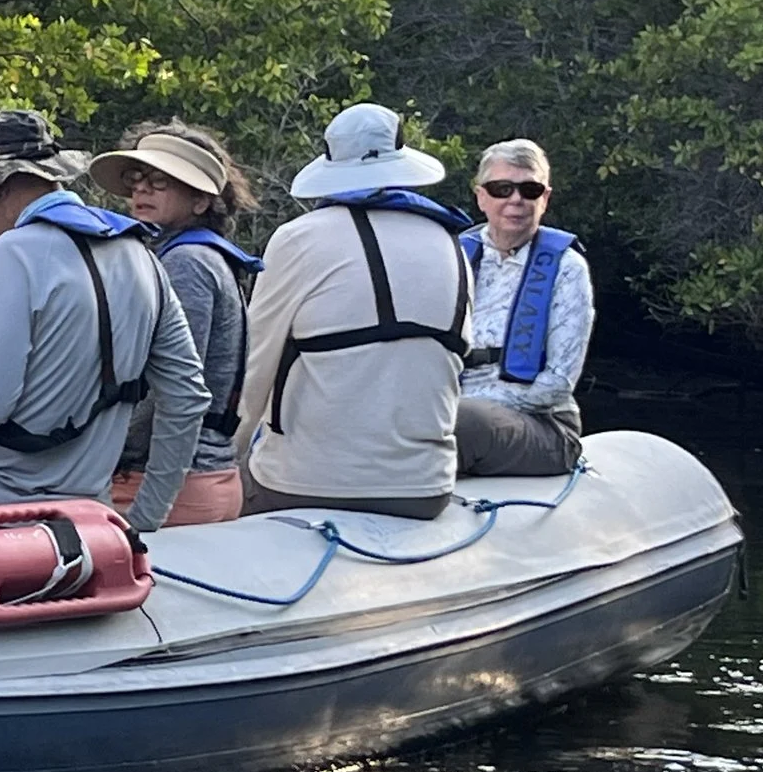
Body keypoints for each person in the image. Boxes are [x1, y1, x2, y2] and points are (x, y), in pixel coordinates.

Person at [0, 110, 208, 532]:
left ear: (0, 184)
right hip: (88, 522)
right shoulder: (141, 255)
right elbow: (188, 397)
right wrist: (145, 522)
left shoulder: (12, 252)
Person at [241, 102, 474, 518]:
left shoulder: (298, 239)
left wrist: (221, 459)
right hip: (425, 488)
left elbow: (254, 364)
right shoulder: (452, 243)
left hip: (303, 484)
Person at [89, 122, 258, 527]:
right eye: (137, 179)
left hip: (169, 484)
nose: (142, 190)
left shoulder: (186, 264)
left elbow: (174, 390)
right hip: (198, 476)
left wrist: (100, 452)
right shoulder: (200, 257)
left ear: (201, 201)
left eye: (161, 181)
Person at [455, 138, 592, 477]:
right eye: (502, 188)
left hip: (544, 423)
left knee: (462, 422)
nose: (515, 199)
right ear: (481, 196)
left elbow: (558, 382)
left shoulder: (567, 267)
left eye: (529, 190)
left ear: (544, 199)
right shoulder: (453, 258)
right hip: (453, 405)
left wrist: (453, 407)